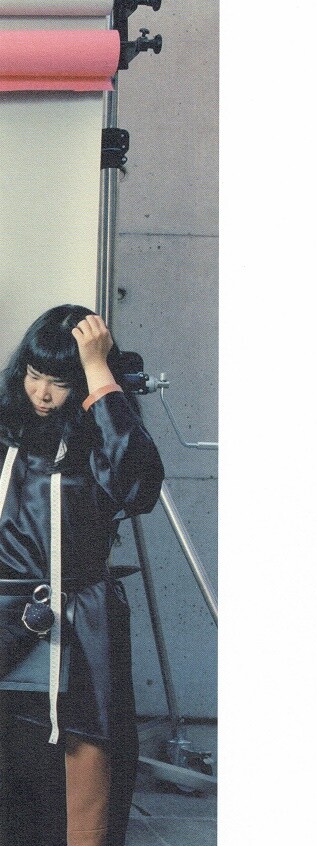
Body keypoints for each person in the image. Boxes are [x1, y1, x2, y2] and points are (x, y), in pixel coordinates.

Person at [0, 305, 164, 846]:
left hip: (82, 617)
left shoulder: (98, 438)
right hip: (6, 611)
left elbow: (137, 488)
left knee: (88, 751)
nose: (42, 394)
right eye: (34, 376)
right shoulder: (6, 428)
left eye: (60, 382)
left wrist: (97, 368)